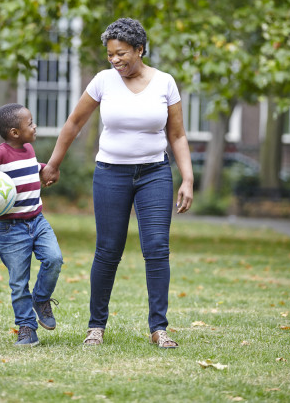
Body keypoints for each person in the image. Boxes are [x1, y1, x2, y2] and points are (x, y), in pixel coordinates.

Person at [42, 18, 193, 348]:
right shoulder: (102, 82)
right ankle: (96, 326)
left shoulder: (165, 83)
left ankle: (159, 328)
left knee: (156, 248)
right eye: (110, 54)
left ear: (140, 50)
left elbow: (177, 135)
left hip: (154, 173)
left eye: (121, 53)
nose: (114, 60)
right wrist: (54, 163)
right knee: (108, 250)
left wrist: (188, 178)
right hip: (111, 173)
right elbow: (74, 123)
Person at [0, 103, 63, 347]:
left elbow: (27, 170)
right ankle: (27, 327)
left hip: (37, 221)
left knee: (54, 259)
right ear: (14, 132)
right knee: (18, 282)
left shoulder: (28, 148)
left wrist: (45, 170)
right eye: (30, 123)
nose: (34, 126)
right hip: (11, 229)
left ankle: (40, 298)